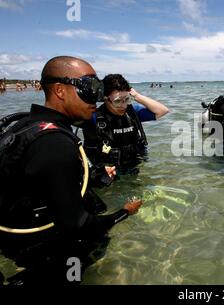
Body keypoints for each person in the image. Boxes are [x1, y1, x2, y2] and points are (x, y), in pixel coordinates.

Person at [0, 56, 144, 284]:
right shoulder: (54, 141)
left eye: (99, 89)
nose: (97, 98)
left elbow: (36, 182)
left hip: (21, 245)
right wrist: (125, 212)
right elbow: (77, 226)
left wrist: (93, 177)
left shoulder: (26, 126)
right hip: (49, 253)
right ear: (59, 90)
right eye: (90, 88)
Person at [82, 74, 169, 175]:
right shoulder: (94, 117)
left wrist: (137, 96)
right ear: (105, 99)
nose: (123, 105)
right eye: (117, 101)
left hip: (134, 164)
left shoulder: (132, 112)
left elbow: (162, 110)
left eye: (126, 99)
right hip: (108, 170)